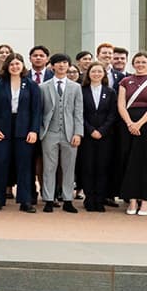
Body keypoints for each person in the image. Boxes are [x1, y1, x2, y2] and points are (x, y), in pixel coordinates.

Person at [0, 54, 43, 213]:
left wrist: (34, 130)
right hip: (2, 129)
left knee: (25, 166)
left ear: (22, 66)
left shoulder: (31, 85)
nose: (14, 67)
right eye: (11, 64)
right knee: (0, 163)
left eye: (17, 64)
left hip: (24, 129)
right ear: (7, 66)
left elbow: (36, 111)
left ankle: (25, 200)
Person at [115, 54, 147, 217]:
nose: (141, 64)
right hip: (127, 124)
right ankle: (132, 198)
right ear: (133, 64)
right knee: (130, 160)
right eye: (138, 62)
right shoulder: (124, 81)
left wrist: (139, 124)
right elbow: (121, 105)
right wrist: (130, 123)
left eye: (144, 62)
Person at [38, 56, 83, 213]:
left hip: (69, 133)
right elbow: (40, 111)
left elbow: (78, 112)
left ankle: (68, 199)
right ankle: (49, 199)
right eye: (59, 63)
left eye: (65, 63)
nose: (62, 66)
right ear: (52, 67)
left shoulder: (76, 87)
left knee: (69, 168)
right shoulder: (43, 87)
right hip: (49, 132)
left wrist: (78, 133)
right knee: (49, 167)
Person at [77, 62, 117, 212]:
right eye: (93, 71)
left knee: (102, 167)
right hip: (87, 136)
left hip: (105, 137)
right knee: (87, 167)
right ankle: (89, 198)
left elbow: (113, 114)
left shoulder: (110, 92)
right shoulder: (81, 91)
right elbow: (79, 113)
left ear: (104, 74)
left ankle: (100, 199)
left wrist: (101, 130)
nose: (96, 74)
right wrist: (90, 130)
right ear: (88, 74)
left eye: (99, 71)